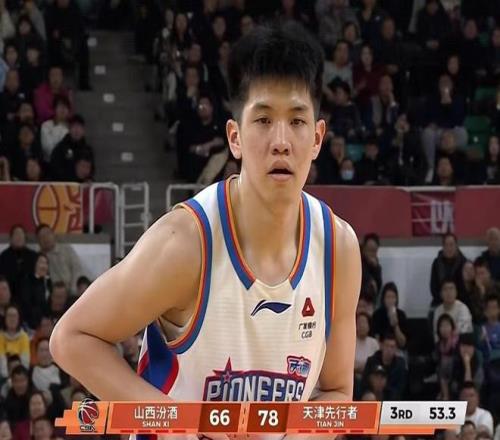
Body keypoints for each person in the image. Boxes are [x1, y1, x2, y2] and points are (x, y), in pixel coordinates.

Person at [49, 22, 362, 417]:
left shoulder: (338, 249)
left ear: (317, 139)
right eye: (263, 120)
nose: (281, 142)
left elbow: (336, 393)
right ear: (235, 137)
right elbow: (72, 339)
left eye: (297, 121)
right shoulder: (186, 243)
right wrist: (176, 425)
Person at [36, 224, 83, 294]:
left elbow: (77, 270)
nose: (45, 238)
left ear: (53, 235)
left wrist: (73, 290)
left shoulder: (66, 250)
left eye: (47, 234)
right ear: (38, 241)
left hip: (71, 291)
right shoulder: (37, 258)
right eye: (42, 236)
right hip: (51, 295)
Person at [0, 225, 37, 298]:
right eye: (16, 234)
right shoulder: (3, 256)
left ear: (25, 238)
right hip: (10, 297)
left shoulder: (34, 256)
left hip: (31, 296)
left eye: (21, 234)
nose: (19, 237)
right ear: (11, 239)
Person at [430, 233, 467, 306]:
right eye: (446, 245)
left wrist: (452, 300)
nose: (449, 248)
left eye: (451, 245)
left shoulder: (464, 263)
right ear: (443, 247)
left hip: (459, 302)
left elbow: (465, 288)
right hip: (440, 301)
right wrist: (444, 299)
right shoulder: (436, 263)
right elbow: (433, 287)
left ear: (456, 246)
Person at [371, 282, 408, 350]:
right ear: (383, 299)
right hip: (381, 349)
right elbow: (375, 339)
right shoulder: (377, 315)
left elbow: (403, 343)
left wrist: (395, 325)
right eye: (388, 297)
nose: (390, 300)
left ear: (396, 299)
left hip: (397, 350)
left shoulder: (401, 315)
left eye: (393, 297)